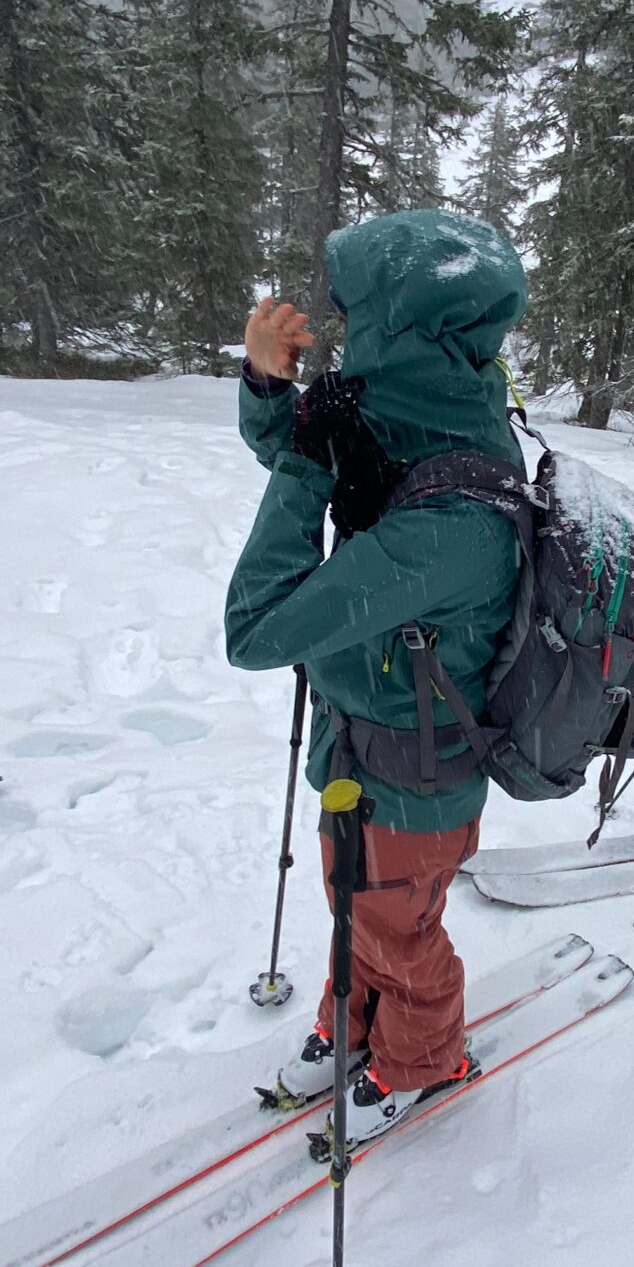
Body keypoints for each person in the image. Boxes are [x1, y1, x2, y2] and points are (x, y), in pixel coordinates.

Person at [226, 209, 527, 1144]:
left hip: (416, 781)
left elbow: (258, 628)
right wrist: (272, 393)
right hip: (362, 747)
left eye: (358, 319)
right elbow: (313, 451)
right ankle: (352, 1021)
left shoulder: (459, 515)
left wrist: (307, 460)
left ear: (406, 332)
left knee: (398, 930)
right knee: (355, 910)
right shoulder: (429, 416)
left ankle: (423, 1057)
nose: (343, 335)